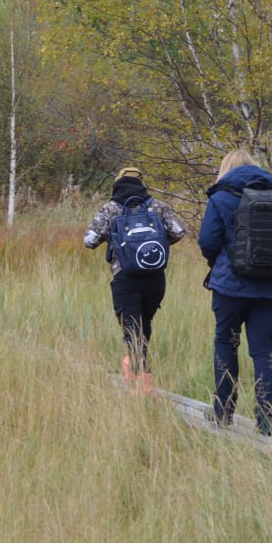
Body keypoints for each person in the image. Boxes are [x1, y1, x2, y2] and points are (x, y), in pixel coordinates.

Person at [198, 149, 272, 435]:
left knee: (226, 344)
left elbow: (207, 241)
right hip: (270, 288)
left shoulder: (220, 197)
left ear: (226, 169)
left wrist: (220, 262)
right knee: (264, 352)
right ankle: (268, 420)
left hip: (229, 288)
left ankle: (223, 412)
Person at [84, 166, 187, 394]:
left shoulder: (111, 208)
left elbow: (89, 240)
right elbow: (179, 231)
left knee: (131, 328)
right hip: (155, 277)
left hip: (125, 277)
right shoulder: (158, 206)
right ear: (142, 183)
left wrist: (116, 240)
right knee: (144, 324)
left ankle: (143, 385)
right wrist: (155, 244)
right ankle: (136, 372)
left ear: (118, 182)